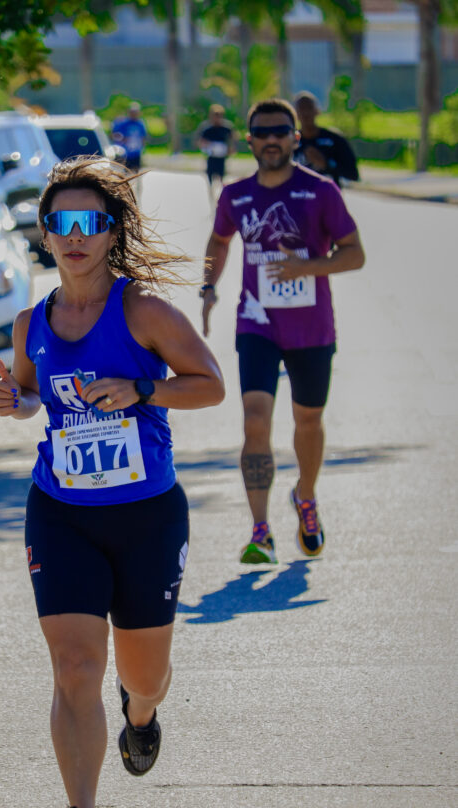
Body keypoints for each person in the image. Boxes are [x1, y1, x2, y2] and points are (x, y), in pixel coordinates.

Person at [0, 158, 224, 808]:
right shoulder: (32, 323)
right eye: (60, 222)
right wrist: (14, 403)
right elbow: (32, 394)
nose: (75, 235)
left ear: (112, 231)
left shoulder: (143, 311)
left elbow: (209, 384)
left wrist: (142, 389)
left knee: (143, 676)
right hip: (61, 513)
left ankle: (141, 713)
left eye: (90, 222)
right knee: (74, 667)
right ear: (44, 232)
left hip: (146, 515)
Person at [201, 98, 364, 564]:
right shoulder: (235, 195)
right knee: (255, 420)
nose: (271, 140)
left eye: (280, 132)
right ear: (249, 140)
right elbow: (219, 240)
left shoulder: (320, 191)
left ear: (295, 138)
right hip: (257, 323)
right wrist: (208, 286)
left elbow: (354, 253)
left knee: (307, 420)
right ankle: (261, 531)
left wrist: (306, 267)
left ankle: (305, 496)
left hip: (312, 328)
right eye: (262, 132)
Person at [293, 91, 359, 187]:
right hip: (298, 194)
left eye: (309, 108)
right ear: (295, 114)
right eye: (301, 108)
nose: (306, 113)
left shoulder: (335, 139)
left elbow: (353, 175)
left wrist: (326, 164)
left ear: (317, 111)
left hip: (329, 194)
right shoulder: (290, 141)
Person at [195, 104, 234, 199]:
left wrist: (230, 148)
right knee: (210, 175)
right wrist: (207, 145)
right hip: (212, 156)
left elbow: (232, 139)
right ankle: (210, 193)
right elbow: (200, 141)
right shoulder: (207, 129)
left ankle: (221, 195)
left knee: (221, 176)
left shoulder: (226, 128)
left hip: (221, 156)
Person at [111, 103, 148, 172]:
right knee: (127, 171)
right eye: (132, 112)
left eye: (135, 112)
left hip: (136, 152)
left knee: (136, 171)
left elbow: (143, 137)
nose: (134, 114)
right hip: (126, 153)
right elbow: (116, 135)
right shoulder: (124, 124)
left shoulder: (140, 124)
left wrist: (142, 147)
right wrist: (123, 139)